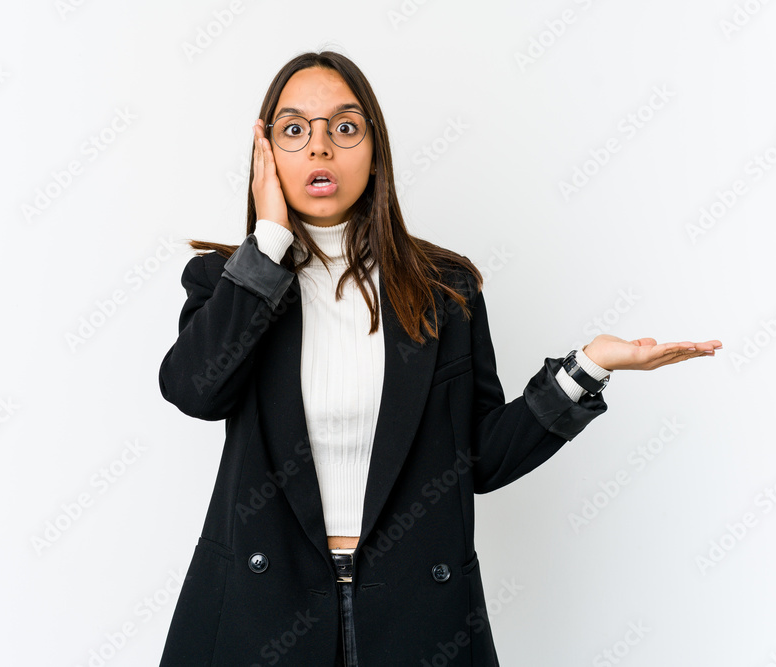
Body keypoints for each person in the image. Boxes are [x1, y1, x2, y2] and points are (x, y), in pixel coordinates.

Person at [157, 50, 721, 667]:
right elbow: (194, 391)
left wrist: (587, 367)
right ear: (266, 156)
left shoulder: (444, 290)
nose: (320, 146)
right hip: (259, 614)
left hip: (415, 615)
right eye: (294, 129)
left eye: (344, 127)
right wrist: (268, 241)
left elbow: (478, 458)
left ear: (376, 152)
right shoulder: (228, 282)